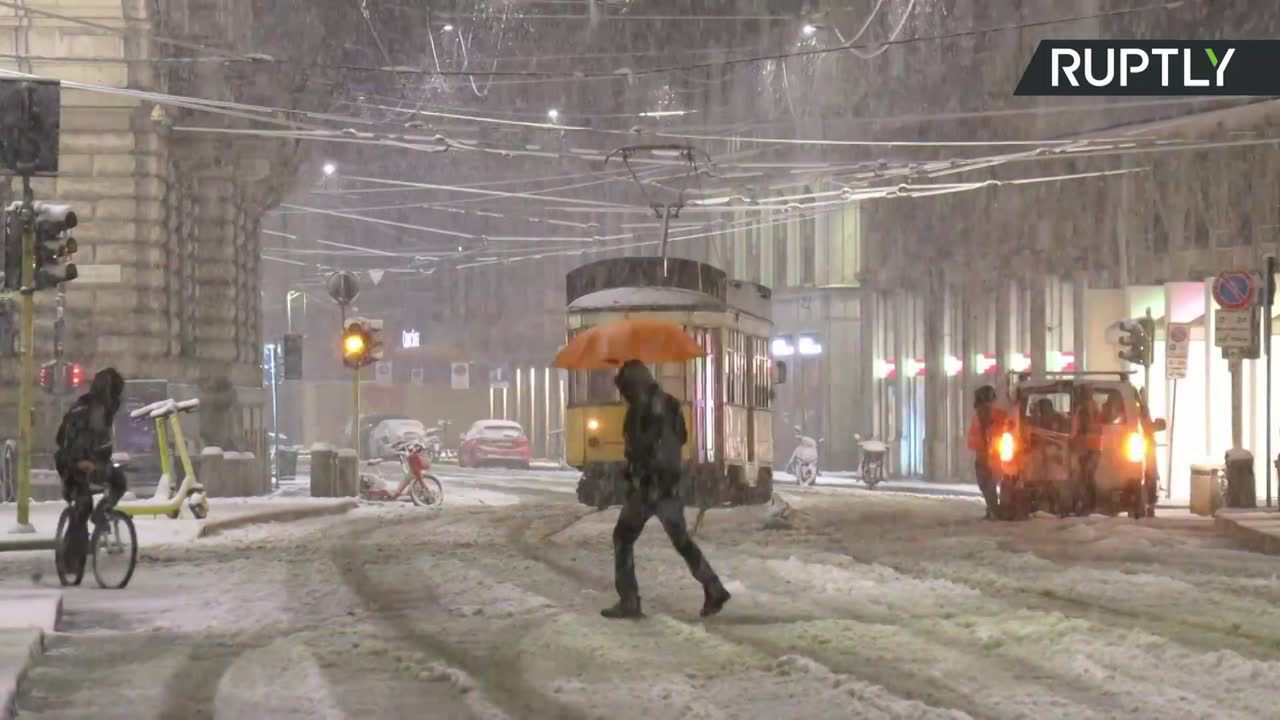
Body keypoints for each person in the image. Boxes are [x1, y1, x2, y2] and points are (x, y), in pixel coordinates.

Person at [602, 360, 730, 620]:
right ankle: (713, 586)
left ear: (633, 386)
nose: (624, 396)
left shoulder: (640, 409)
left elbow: (639, 447)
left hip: (648, 486)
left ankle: (629, 600)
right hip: (670, 484)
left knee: (623, 537)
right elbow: (681, 437)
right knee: (681, 541)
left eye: (625, 389)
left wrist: (634, 462)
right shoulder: (670, 404)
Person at [54, 368, 127, 571]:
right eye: (116, 392)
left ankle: (101, 512)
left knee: (118, 480)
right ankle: (70, 559)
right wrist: (81, 462)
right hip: (72, 464)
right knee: (83, 503)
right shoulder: (89, 410)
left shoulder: (100, 409)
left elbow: (99, 444)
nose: (118, 398)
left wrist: (103, 463)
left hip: (91, 463)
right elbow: (72, 442)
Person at [967, 385, 1005, 520]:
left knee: (990, 483)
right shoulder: (976, 418)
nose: (982, 409)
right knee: (984, 484)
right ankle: (992, 509)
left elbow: (1006, 432)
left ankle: (995, 510)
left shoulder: (1000, 417)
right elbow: (973, 437)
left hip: (995, 456)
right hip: (981, 456)